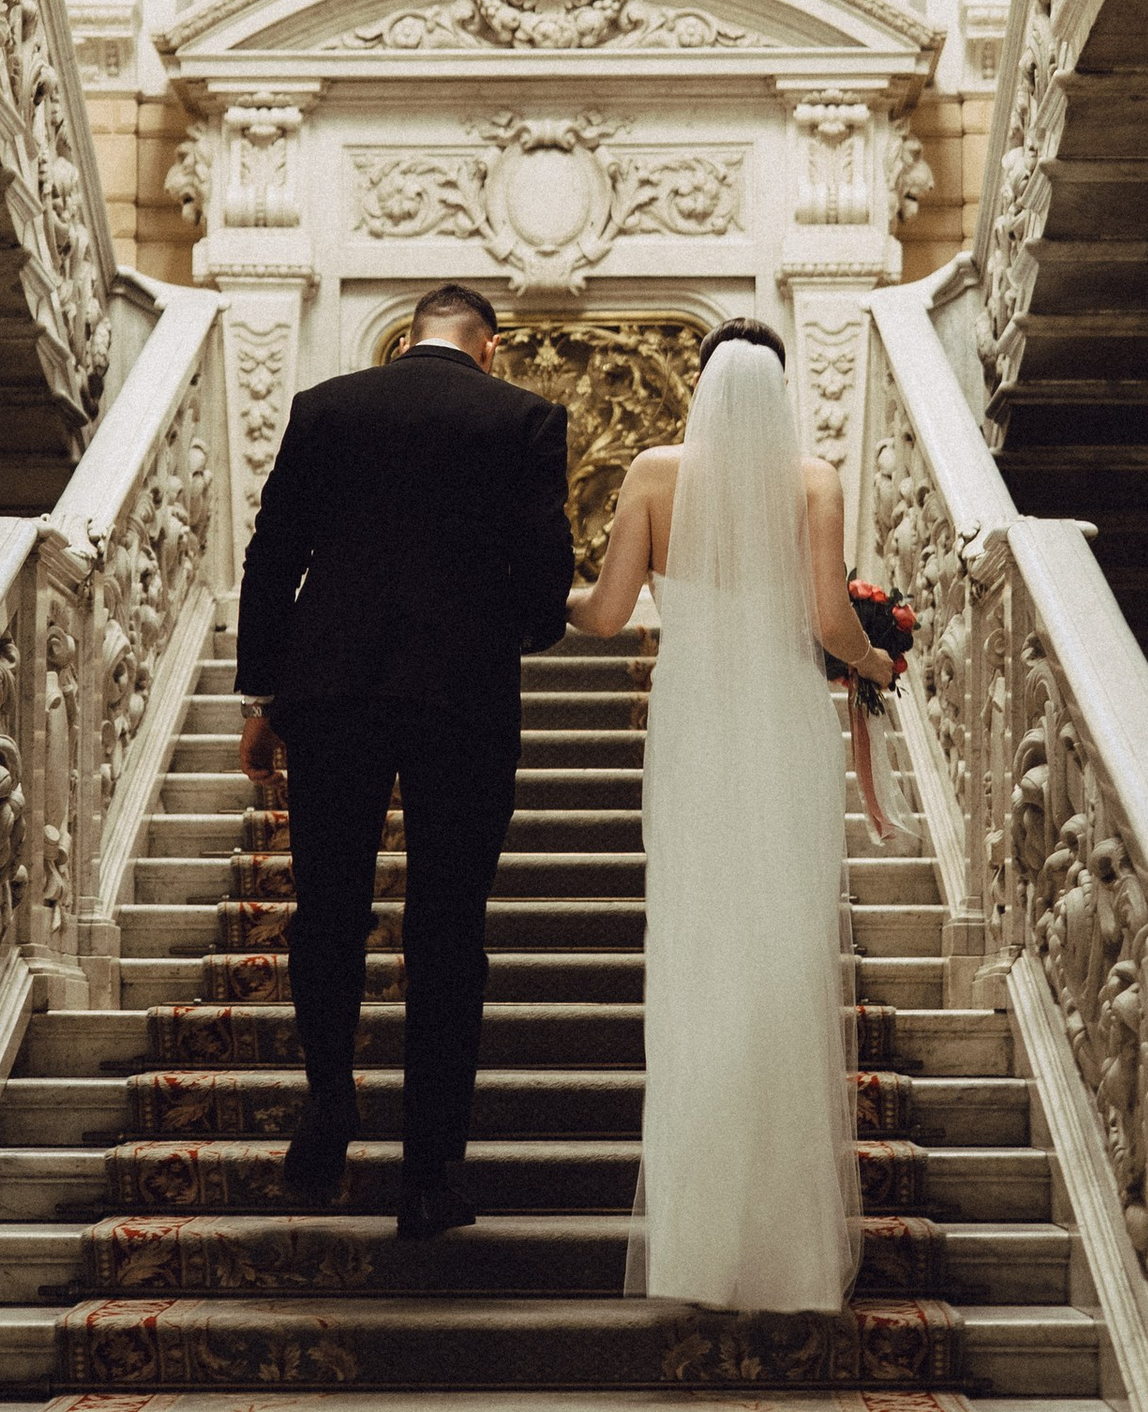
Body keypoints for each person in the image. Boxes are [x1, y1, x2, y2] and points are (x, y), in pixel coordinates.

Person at [566, 319, 897, 1314]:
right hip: (782, 722)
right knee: (782, 950)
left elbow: (607, 615)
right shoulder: (812, 479)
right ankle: (780, 1242)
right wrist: (879, 663)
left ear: (699, 387)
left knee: (698, 949)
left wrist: (539, 590)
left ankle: (697, 1238)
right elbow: (830, 621)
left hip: (695, 724)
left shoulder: (654, 474)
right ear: (781, 388)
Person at [236, 282, 574, 1243]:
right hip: (462, 696)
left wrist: (264, 694)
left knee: (330, 907)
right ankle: (428, 1176)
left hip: (332, 689)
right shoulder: (525, 418)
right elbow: (548, 566)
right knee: (448, 926)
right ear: (489, 347)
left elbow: (273, 555)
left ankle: (328, 1105)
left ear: (406, 338)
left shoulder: (326, 408)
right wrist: (502, 632)